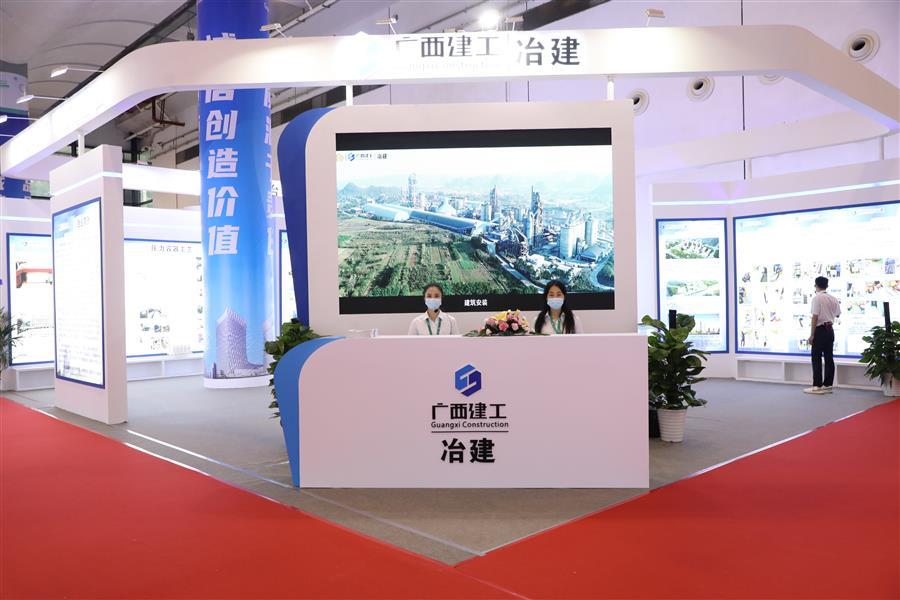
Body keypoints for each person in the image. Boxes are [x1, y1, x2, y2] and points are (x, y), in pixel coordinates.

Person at [804, 276, 841, 394]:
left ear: (816, 285)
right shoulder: (833, 298)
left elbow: (815, 317)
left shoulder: (817, 298)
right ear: (827, 286)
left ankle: (817, 385)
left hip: (820, 330)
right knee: (829, 357)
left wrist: (812, 335)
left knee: (816, 357)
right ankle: (828, 384)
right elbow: (838, 314)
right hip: (830, 330)